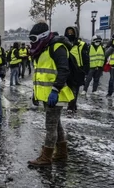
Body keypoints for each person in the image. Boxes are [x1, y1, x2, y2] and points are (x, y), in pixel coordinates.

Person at [27, 21, 74, 166]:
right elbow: (40, 75)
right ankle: (61, 153)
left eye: (34, 39)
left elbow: (64, 70)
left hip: (56, 94)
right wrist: (36, 93)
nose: (32, 43)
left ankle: (46, 157)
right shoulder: (43, 49)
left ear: (43, 36)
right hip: (46, 94)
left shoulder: (57, 48)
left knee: (50, 126)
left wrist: (55, 89)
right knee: (56, 124)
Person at [64, 26, 88, 115]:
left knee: (75, 89)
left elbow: (86, 59)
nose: (70, 34)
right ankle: (73, 104)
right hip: (67, 68)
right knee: (69, 88)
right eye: (68, 32)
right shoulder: (64, 43)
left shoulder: (82, 44)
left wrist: (85, 71)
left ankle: (71, 106)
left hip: (78, 70)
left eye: (72, 32)